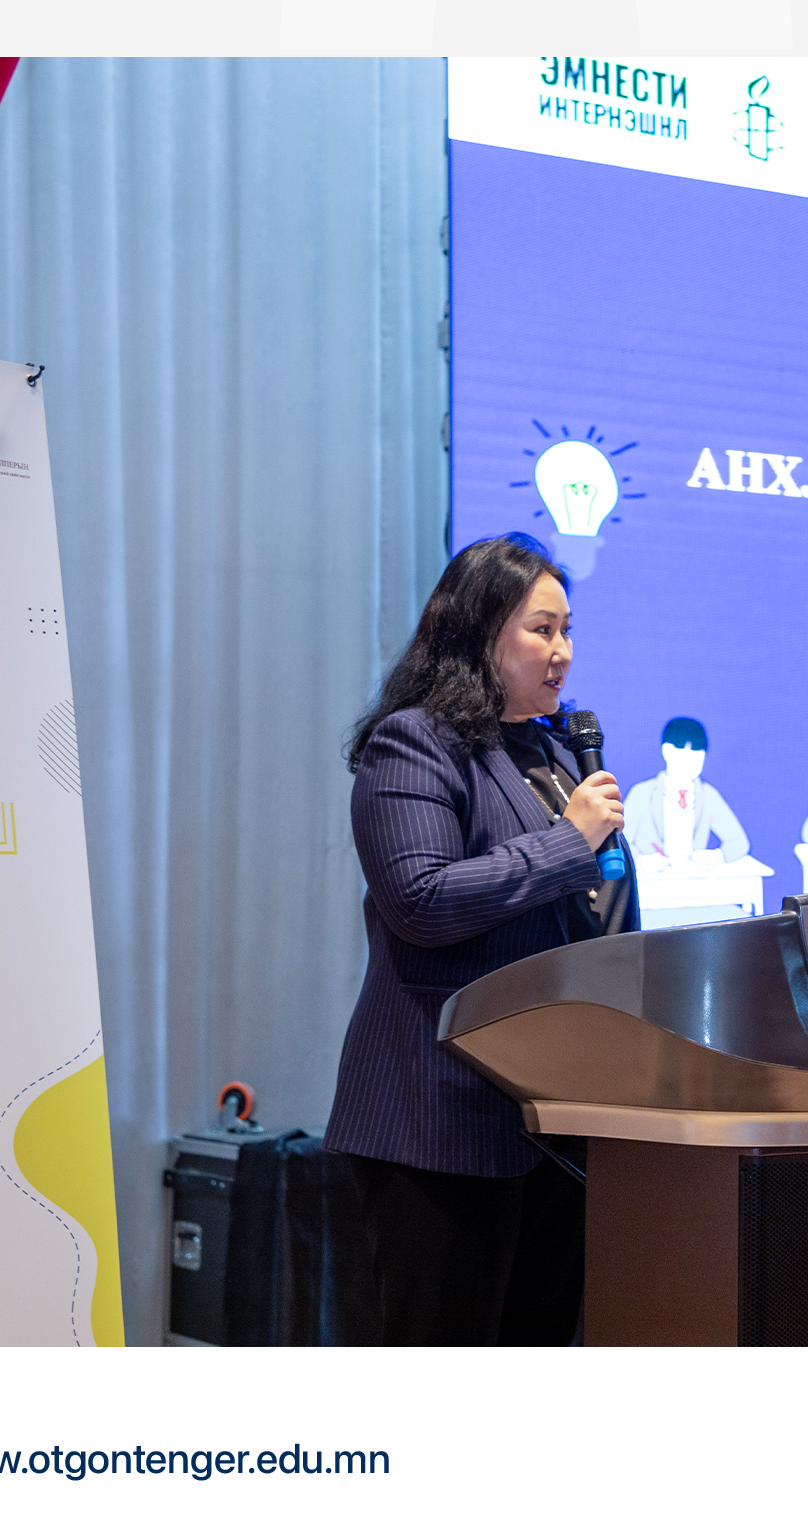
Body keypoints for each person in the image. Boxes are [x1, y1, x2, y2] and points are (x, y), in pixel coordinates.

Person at [322, 533, 629, 1345]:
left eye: (568, 631)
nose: (563, 652)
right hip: (439, 1120)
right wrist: (569, 842)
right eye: (542, 630)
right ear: (479, 630)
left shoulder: (556, 754)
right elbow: (421, 902)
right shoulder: (413, 743)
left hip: (558, 1120)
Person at [624, 717, 751, 866]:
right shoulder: (642, 793)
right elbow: (619, 842)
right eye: (682, 757)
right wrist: (641, 860)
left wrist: (717, 856)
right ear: (666, 751)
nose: (688, 765)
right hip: (653, 875)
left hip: (693, 874)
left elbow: (739, 842)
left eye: (696, 760)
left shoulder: (707, 795)